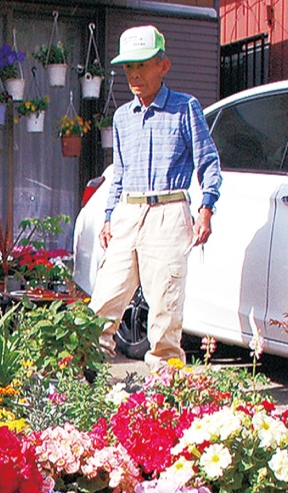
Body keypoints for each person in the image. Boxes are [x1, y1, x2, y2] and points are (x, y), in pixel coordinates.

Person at [89, 25, 221, 368]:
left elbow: (207, 160)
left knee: (165, 307)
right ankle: (87, 379)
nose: (134, 74)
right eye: (129, 67)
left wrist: (206, 208)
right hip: (127, 214)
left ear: (163, 66)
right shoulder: (122, 117)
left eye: (143, 65)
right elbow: (118, 171)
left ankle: (162, 392)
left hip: (169, 210)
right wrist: (107, 217)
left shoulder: (185, 108)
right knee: (104, 301)